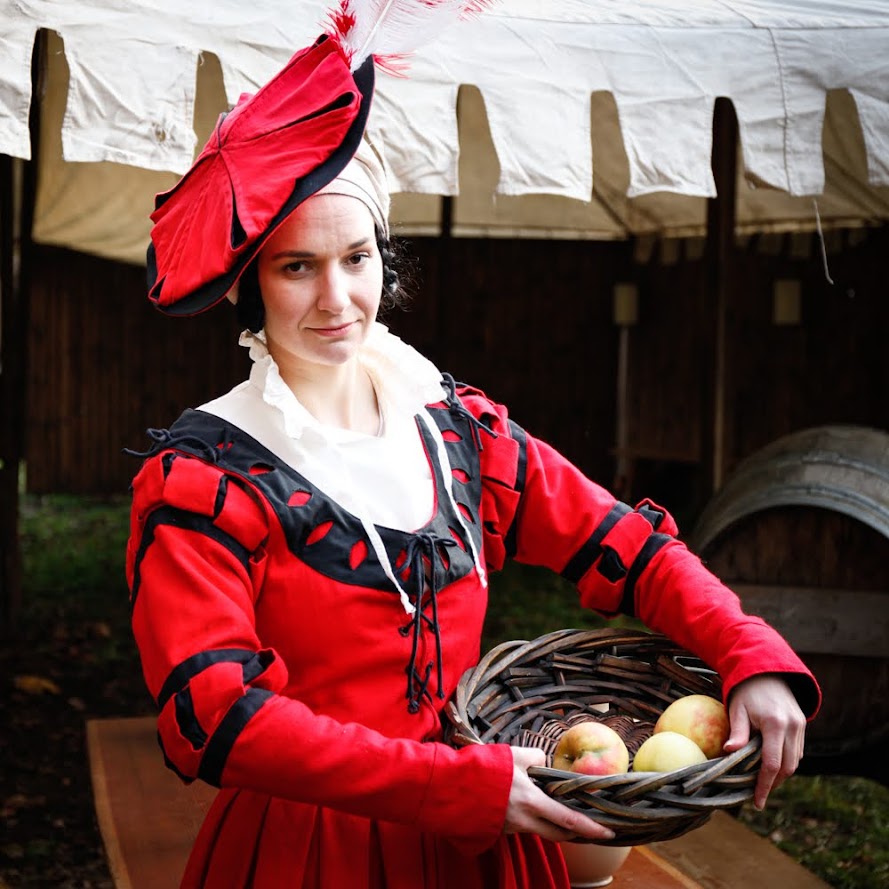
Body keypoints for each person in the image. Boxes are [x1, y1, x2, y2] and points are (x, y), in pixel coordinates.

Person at [126, 20, 820, 889]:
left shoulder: (458, 430)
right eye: (296, 266)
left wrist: (747, 650)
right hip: (312, 852)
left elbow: (626, 545)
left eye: (356, 256)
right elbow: (213, 717)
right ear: (248, 283)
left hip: (486, 835)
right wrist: (451, 784)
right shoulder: (203, 477)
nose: (337, 297)